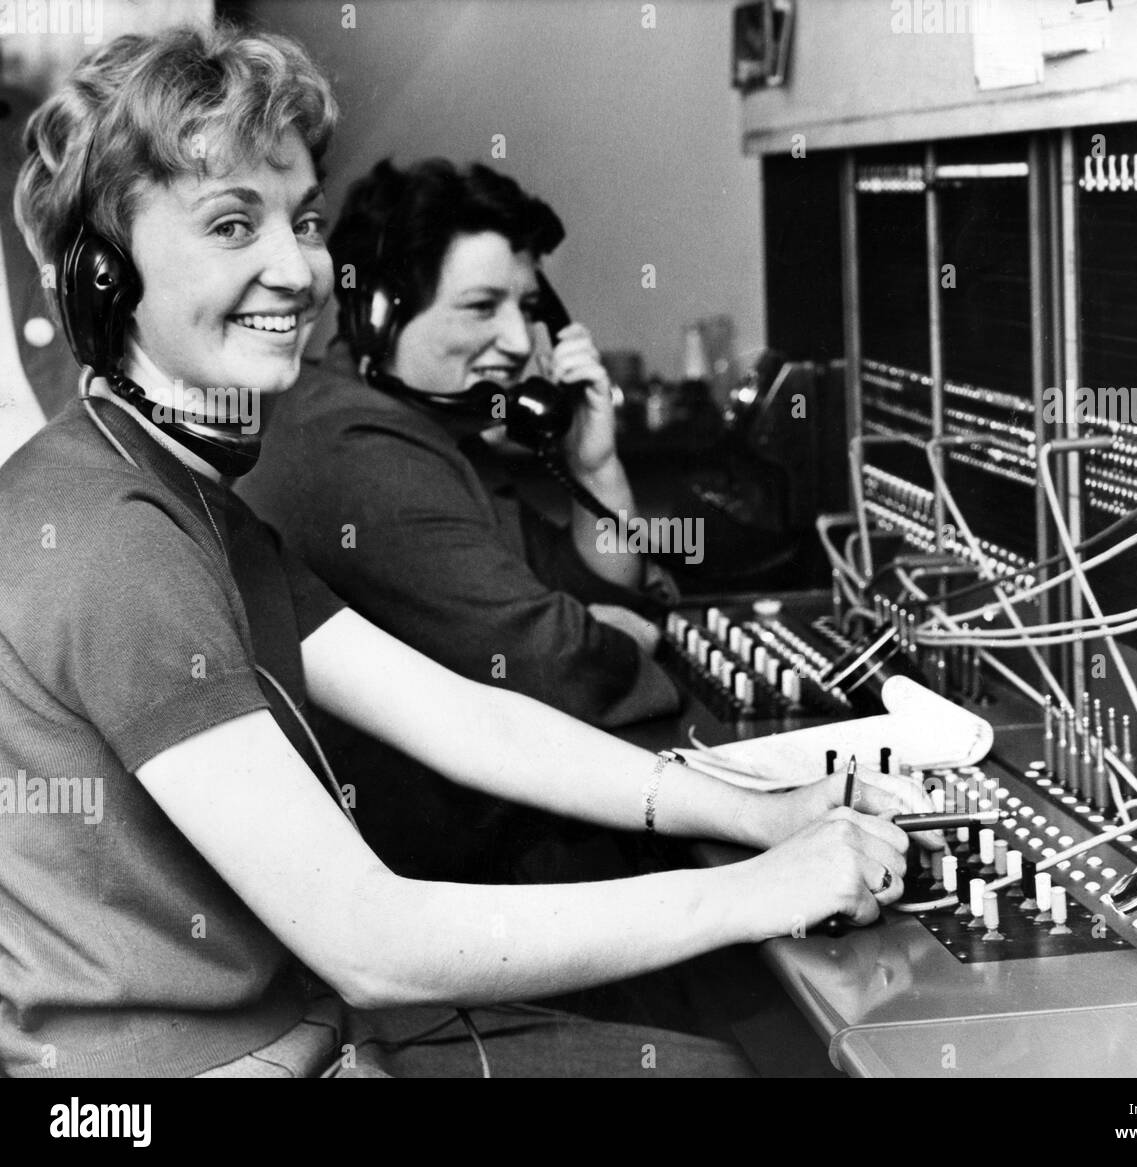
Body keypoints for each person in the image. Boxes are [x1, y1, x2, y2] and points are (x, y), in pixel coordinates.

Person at [1, 24, 933, 1079]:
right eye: (229, 224)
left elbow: (463, 716)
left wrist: (764, 813)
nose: (295, 270)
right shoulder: (113, 536)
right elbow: (369, 942)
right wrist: (754, 890)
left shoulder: (176, 491)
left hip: (295, 1034)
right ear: (98, 277)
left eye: (303, 223)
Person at [237, 160, 692, 881]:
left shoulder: (429, 428)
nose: (519, 342)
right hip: (443, 878)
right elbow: (554, 666)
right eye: (483, 307)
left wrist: (596, 466)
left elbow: (583, 581)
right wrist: (609, 630)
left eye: (529, 308)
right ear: (379, 314)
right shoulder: (357, 451)